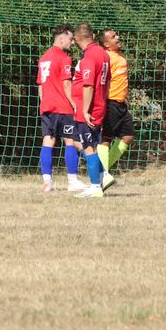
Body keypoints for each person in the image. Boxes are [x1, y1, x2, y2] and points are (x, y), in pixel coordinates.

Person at [36, 24, 79, 192]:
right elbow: (67, 84)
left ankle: (47, 182)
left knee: (48, 141)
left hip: (47, 107)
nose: (72, 42)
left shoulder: (44, 58)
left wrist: (44, 103)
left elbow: (40, 85)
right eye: (70, 39)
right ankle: (72, 181)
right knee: (70, 141)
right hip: (63, 107)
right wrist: (75, 105)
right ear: (61, 38)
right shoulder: (64, 58)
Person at [70, 23, 111, 199]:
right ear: (93, 36)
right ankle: (101, 179)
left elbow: (88, 85)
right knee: (88, 144)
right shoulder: (104, 54)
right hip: (99, 105)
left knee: (88, 147)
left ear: (77, 39)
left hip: (88, 109)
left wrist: (85, 110)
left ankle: (95, 186)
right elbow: (107, 81)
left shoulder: (89, 57)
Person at [99, 29, 133, 186]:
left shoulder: (120, 56)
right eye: (113, 37)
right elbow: (102, 81)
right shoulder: (106, 58)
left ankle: (103, 171)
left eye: (117, 35)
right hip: (110, 103)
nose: (118, 37)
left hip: (121, 103)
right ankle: (101, 175)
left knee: (128, 136)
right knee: (106, 139)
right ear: (106, 44)